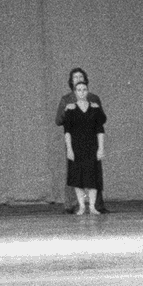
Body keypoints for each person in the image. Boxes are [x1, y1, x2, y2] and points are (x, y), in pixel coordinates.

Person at [56, 67, 107, 215]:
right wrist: (67, 109)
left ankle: (95, 206)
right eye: (75, 77)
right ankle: (75, 206)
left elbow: (101, 123)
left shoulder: (94, 99)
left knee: (93, 175)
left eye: (81, 77)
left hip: (92, 144)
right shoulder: (67, 100)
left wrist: (101, 147)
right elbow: (60, 122)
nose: (78, 79)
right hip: (75, 143)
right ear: (71, 82)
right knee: (76, 176)